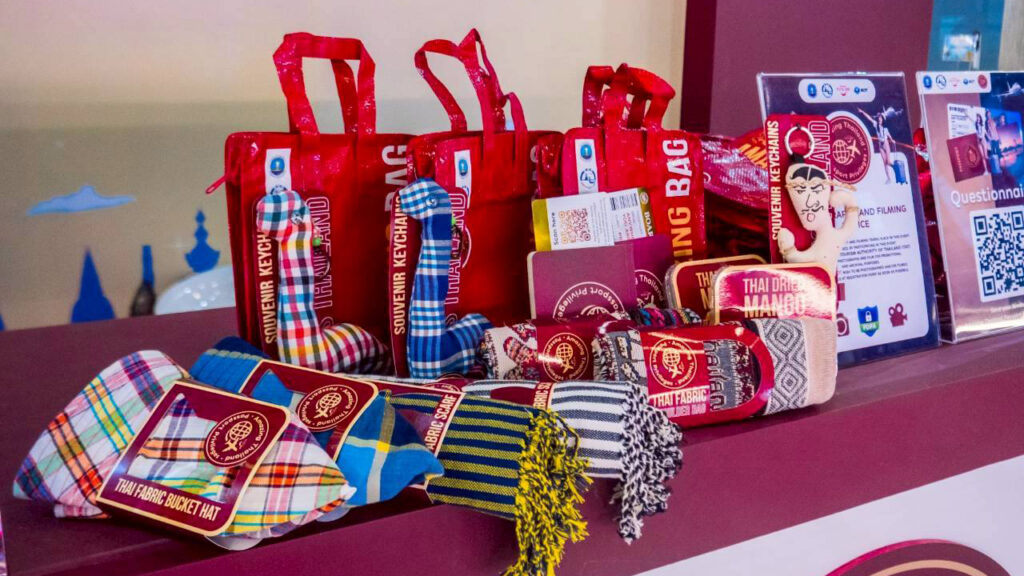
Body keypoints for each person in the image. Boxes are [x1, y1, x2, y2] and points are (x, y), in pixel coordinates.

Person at [777, 159, 859, 275]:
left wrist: (789, 250)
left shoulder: (838, 236)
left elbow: (796, 258)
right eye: (800, 191)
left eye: (816, 190)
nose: (810, 202)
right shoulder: (840, 235)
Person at [859, 107, 897, 183]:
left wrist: (892, 140)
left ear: (882, 119)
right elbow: (869, 118)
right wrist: (863, 112)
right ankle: (888, 178)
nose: (879, 119)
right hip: (880, 145)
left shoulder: (885, 128)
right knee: (885, 163)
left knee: (888, 162)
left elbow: (888, 134)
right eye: (879, 118)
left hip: (885, 143)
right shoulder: (876, 125)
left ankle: (896, 169)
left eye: (880, 118)